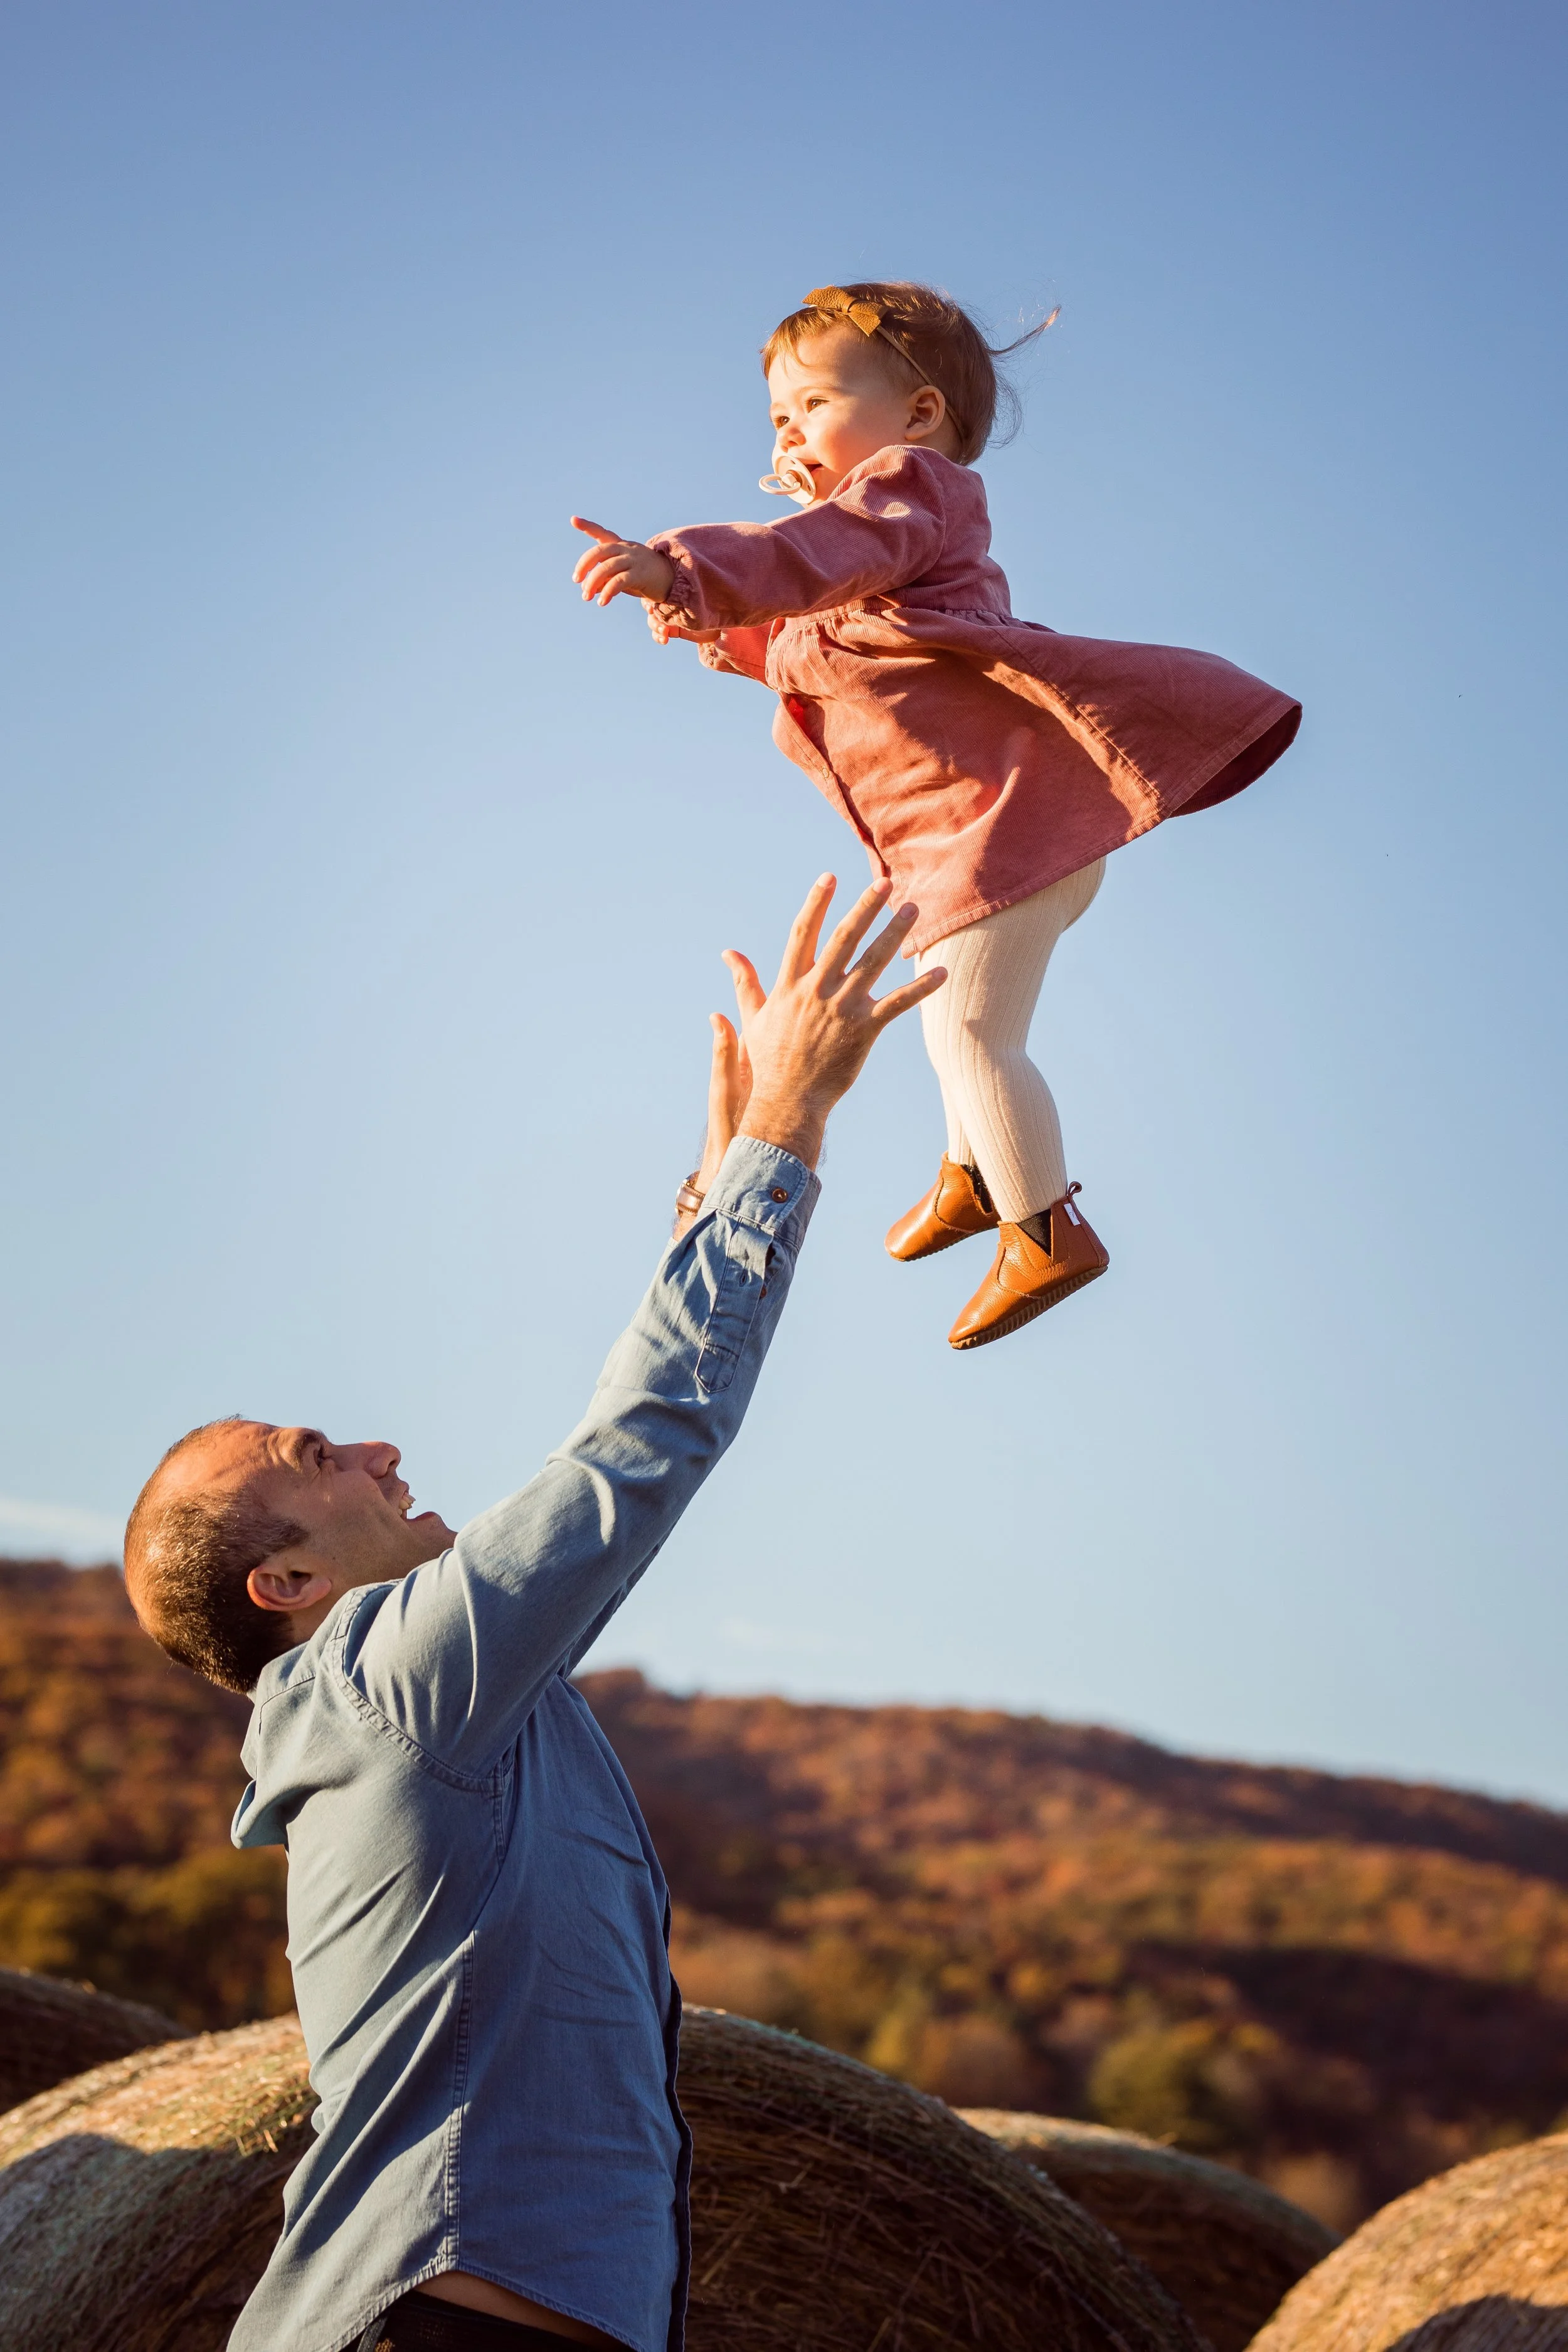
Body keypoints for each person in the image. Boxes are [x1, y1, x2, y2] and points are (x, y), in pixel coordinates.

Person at [121, 876, 944, 2352]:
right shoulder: (380, 1679)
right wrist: (781, 1140)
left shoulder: (464, 1714)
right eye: (321, 1463)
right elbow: (635, 1448)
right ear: (287, 1589)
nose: (376, 1448)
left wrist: (707, 1200)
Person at [570, 280, 1301, 1350]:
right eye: (776, 418)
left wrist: (687, 563)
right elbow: (789, 639)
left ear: (916, 416)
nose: (787, 434)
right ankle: (972, 1175)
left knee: (970, 1037)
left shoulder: (911, 496)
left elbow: (808, 554)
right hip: (972, 843)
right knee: (949, 1029)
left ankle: (1045, 1229)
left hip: (1003, 829)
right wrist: (689, 612)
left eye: (810, 406)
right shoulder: (861, 577)